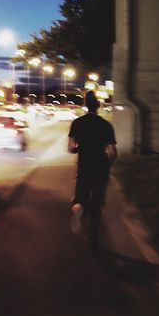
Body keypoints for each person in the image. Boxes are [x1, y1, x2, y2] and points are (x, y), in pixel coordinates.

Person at [68, 90, 117, 250]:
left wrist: (77, 150)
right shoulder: (106, 125)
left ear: (85, 105)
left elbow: (70, 148)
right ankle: (93, 240)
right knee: (96, 205)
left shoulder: (77, 123)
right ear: (98, 106)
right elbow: (113, 152)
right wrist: (107, 165)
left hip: (84, 168)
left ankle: (78, 207)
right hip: (101, 169)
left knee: (80, 197)